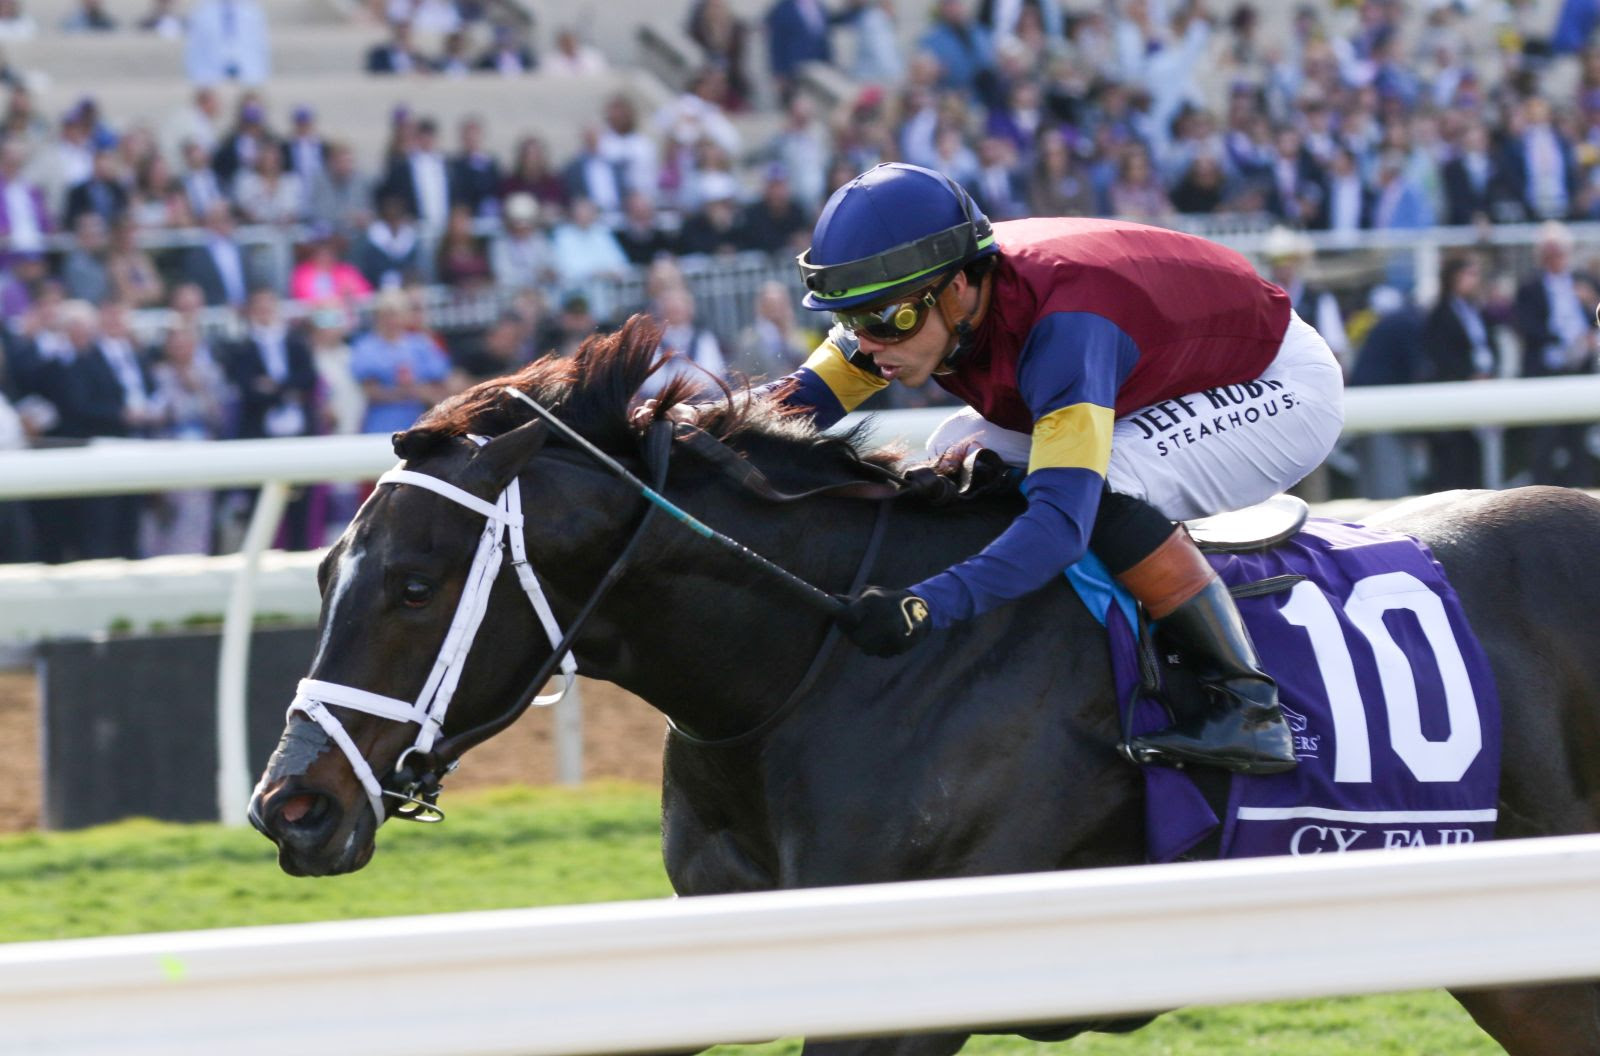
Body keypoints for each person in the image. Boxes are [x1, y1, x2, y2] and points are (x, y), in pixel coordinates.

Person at [672, 163, 1346, 774]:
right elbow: (797, 406)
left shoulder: (1063, 326)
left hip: (1273, 381)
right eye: (852, 322)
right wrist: (676, 430)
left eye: (889, 321)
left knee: (1102, 488)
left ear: (960, 287)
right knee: (958, 449)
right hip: (1156, 364)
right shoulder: (915, 298)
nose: (872, 348)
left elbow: (1059, 528)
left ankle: (1247, 705)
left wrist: (924, 605)